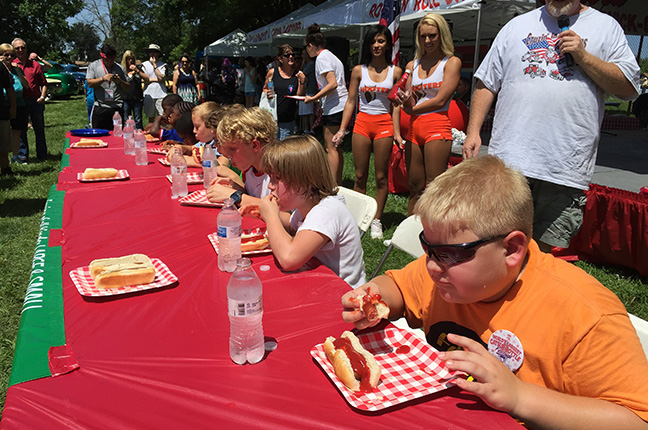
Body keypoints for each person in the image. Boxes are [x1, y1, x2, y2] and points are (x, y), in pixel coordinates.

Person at [342, 155, 648, 429]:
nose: (432, 265)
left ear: (512, 249)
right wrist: (372, 297)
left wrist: (519, 397)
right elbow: (397, 286)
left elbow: (636, 419)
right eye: (428, 247)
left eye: (449, 253)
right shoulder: (441, 274)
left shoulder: (584, 316)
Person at [462, 0, 640, 252]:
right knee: (496, 245)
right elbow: (487, 82)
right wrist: (473, 131)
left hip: (564, 166)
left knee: (542, 255)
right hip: (510, 161)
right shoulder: (517, 26)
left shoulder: (606, 27)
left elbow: (629, 88)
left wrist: (583, 57)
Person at [244, 135, 366, 288]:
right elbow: (293, 225)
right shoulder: (307, 204)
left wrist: (271, 218)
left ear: (304, 180)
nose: (270, 186)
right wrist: (263, 212)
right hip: (319, 283)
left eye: (277, 178)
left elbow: (289, 259)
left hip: (343, 294)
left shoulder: (327, 212)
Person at [333, 24, 403, 240]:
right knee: (360, 175)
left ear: (388, 44)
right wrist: (342, 129)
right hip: (362, 124)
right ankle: (357, 217)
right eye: (373, 41)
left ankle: (377, 220)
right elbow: (351, 101)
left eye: (381, 41)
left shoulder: (396, 72)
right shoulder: (358, 70)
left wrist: (398, 134)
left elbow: (396, 106)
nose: (376, 45)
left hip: (384, 125)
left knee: (381, 176)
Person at [396, 14, 461, 216]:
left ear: (442, 35)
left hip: (437, 125)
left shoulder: (451, 62)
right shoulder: (412, 65)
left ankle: (435, 234)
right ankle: (408, 234)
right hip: (414, 128)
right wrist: (403, 99)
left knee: (435, 187)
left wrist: (411, 108)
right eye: (423, 36)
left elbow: (441, 100)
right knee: (414, 186)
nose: (427, 41)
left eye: (432, 36)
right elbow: (409, 101)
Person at [304, 24, 349, 185]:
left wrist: (313, 97)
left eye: (306, 47)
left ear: (310, 46)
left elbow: (332, 83)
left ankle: (331, 184)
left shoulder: (322, 58)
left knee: (330, 147)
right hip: (339, 104)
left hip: (335, 106)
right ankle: (338, 182)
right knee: (336, 146)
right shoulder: (331, 56)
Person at [206, 106, 277, 207]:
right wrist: (238, 188)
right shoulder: (250, 169)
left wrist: (235, 196)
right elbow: (258, 197)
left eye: (232, 148)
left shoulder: (280, 171)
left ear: (254, 145)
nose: (227, 154)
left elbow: (285, 216)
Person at [11, 38, 47, 163]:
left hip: (35, 101)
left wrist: (42, 97)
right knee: (21, 130)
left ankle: (42, 154)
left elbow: (44, 83)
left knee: (39, 129)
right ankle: (22, 155)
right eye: (17, 48)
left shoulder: (35, 65)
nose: (20, 50)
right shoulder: (11, 64)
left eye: (23, 47)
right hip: (20, 101)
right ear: (14, 50)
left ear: (26, 48)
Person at [264, 45, 305, 139]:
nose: (291, 57)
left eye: (292, 55)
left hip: (288, 119)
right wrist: (268, 93)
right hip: (272, 118)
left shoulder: (297, 74)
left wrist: (302, 82)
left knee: (285, 149)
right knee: (272, 148)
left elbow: (300, 96)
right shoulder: (272, 72)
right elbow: (265, 88)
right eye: (287, 55)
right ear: (281, 59)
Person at [86, 44, 129, 130]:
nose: (109, 61)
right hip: (100, 106)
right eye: (107, 59)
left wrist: (119, 82)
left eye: (111, 59)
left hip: (116, 107)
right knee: (98, 134)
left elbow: (127, 87)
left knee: (116, 136)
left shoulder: (120, 68)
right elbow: (90, 83)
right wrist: (103, 79)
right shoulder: (94, 66)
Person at [0, 43, 28, 167]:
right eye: (6, 55)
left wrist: (17, 70)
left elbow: (26, 86)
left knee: (17, 131)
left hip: (19, 103)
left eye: (12, 55)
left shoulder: (16, 69)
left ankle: (15, 156)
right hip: (3, 104)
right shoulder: (1, 70)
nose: (9, 57)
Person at [121, 50, 148, 130]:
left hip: (137, 98)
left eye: (132, 59)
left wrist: (137, 70)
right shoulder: (122, 70)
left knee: (138, 120)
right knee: (126, 120)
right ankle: (127, 134)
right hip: (125, 98)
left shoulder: (138, 69)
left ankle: (139, 135)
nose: (131, 61)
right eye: (128, 59)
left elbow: (147, 79)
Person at [142, 43, 168, 123]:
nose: (152, 54)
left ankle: (162, 133)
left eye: (155, 52)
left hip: (161, 94)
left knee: (162, 117)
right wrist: (157, 79)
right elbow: (144, 80)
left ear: (158, 53)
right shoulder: (144, 65)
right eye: (151, 52)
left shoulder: (163, 65)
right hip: (149, 94)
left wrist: (154, 65)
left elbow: (162, 78)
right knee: (150, 118)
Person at [0, 49, 16, 175]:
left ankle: (5, 168)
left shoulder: (1, 67)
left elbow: (10, 88)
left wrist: (13, 107)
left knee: (3, 143)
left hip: (1, 111)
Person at [298, 47, 317, 134]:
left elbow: (302, 74)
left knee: (310, 111)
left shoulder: (311, 64)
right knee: (304, 111)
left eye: (303, 54)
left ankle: (311, 129)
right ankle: (306, 128)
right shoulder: (305, 64)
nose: (302, 56)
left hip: (310, 90)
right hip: (305, 90)